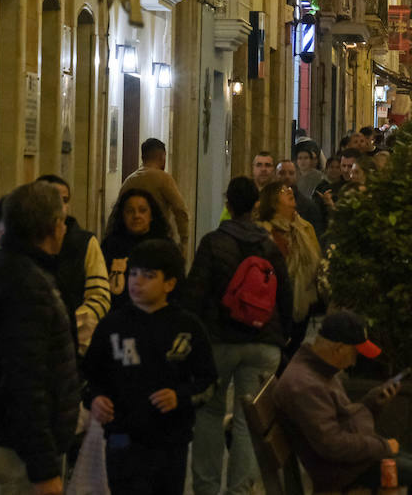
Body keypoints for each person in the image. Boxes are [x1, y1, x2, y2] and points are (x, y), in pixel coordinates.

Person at [0, 181, 79, 495]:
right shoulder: (25, 284)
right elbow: (24, 381)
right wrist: (43, 468)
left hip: (13, 440)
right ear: (55, 227)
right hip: (20, 449)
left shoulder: (3, 269)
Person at [182, 176, 294, 495]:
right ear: (256, 206)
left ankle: (205, 487)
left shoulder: (213, 243)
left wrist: (191, 338)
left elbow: (195, 294)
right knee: (250, 422)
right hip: (263, 344)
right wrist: (281, 336)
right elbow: (285, 296)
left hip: (218, 343)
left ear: (228, 205)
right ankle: (240, 490)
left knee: (209, 412)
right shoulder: (269, 246)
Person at [81, 238, 218, 495]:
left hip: (169, 442)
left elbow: (209, 382)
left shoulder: (187, 328)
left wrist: (180, 397)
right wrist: (95, 398)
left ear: (170, 283)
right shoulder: (112, 326)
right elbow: (88, 377)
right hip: (122, 439)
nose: (137, 281)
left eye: (148, 275)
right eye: (133, 273)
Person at [274, 311, 412, 495]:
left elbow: (339, 420)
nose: (354, 361)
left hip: (352, 463)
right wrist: (383, 447)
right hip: (343, 472)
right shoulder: (304, 385)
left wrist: (371, 403)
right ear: (339, 348)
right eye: (354, 352)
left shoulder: (319, 370)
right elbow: (332, 444)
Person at [39, 174, 110, 353]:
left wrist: (67, 325)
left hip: (76, 344)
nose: (61, 206)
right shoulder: (26, 247)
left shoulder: (85, 243)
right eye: (53, 199)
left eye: (65, 200)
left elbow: (99, 296)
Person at [255, 180, 323, 358]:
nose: (289, 191)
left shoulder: (305, 228)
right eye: (282, 191)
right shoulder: (263, 231)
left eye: (289, 188)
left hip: (303, 299)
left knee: (294, 345)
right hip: (275, 302)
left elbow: (315, 258)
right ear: (272, 200)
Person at [101, 186, 174, 303]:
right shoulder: (110, 245)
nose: (136, 216)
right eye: (130, 211)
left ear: (151, 215)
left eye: (142, 210)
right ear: (122, 215)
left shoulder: (165, 247)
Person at [119, 137, 190, 252]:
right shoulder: (163, 179)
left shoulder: (129, 181)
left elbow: (117, 213)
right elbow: (180, 210)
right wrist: (184, 240)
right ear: (163, 157)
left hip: (129, 241)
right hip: (158, 240)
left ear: (142, 157)